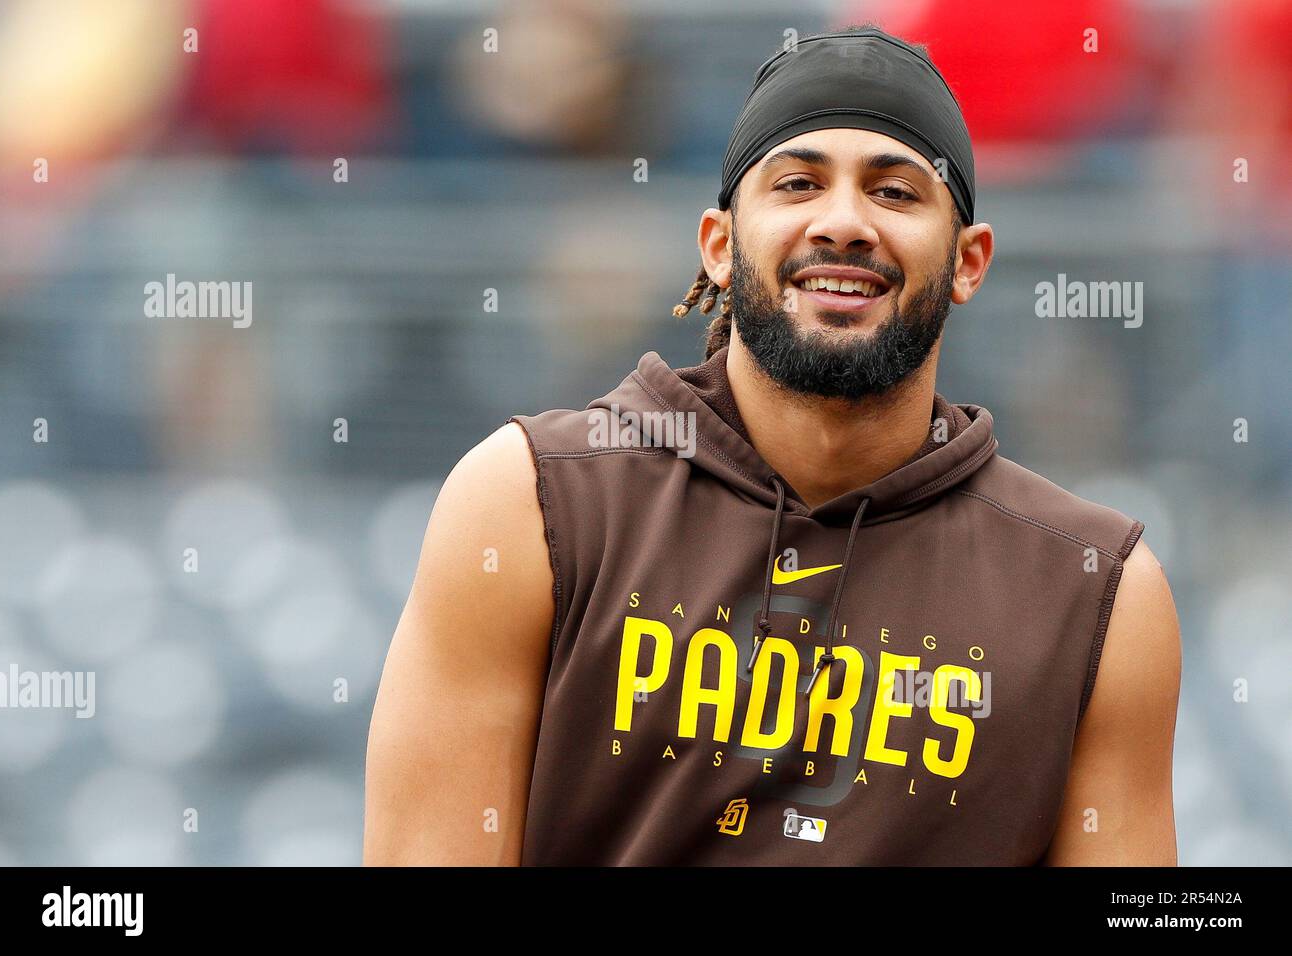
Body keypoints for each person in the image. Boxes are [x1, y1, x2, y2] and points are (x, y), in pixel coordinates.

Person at [364, 24, 1180, 866]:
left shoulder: (1100, 594)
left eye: (896, 193)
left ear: (969, 262)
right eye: (797, 183)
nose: (845, 223)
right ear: (719, 247)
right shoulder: (530, 504)